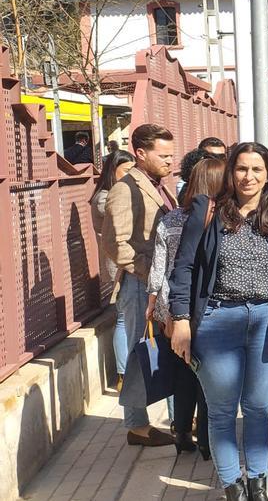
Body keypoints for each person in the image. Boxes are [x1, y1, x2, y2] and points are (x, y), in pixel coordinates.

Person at [169, 141, 268, 501]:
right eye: (242, 168)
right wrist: (181, 319)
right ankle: (234, 488)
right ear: (230, 172)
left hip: (267, 320)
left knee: (260, 407)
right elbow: (182, 267)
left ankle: (258, 485)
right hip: (217, 321)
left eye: (257, 169)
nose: (249, 176)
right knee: (222, 411)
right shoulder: (208, 209)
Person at [101, 123, 177, 448]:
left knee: (170, 348)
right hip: (138, 284)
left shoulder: (158, 185)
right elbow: (114, 243)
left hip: (157, 283)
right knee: (137, 351)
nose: (170, 161)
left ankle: (180, 416)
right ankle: (136, 425)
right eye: (164, 155)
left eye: (172, 156)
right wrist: (148, 272)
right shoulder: (125, 188)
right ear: (141, 153)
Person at [146, 157, 224, 459]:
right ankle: (206, 439)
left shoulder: (170, 220)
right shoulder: (220, 221)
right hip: (207, 309)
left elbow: (159, 270)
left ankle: (180, 432)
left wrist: (158, 309)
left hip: (174, 310)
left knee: (183, 374)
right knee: (209, 377)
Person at [90, 149, 136, 390]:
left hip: (120, 261)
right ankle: (123, 374)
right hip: (117, 263)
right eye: (127, 171)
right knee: (121, 319)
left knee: (123, 317)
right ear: (113, 171)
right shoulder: (104, 198)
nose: (131, 175)